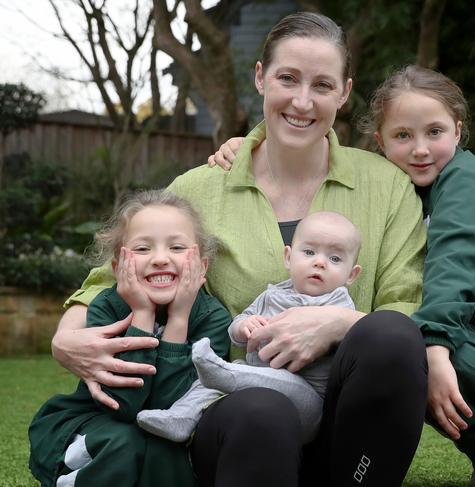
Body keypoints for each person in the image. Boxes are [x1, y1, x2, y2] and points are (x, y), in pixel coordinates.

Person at [50, 12, 428, 487]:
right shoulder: (202, 188)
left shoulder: (386, 186)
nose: (303, 101)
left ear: (345, 92)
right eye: (287, 78)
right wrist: (66, 338)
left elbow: (408, 305)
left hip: (346, 429)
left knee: (390, 335)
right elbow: (115, 274)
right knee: (261, 408)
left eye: (323, 85)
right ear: (259, 78)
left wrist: (338, 322)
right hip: (240, 425)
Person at [211, 65, 475, 487]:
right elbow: (322, 156)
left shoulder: (468, 187)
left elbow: (457, 269)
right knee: (401, 350)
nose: (420, 149)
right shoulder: (402, 192)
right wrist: (251, 146)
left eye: (434, 132)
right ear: (381, 143)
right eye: (403, 136)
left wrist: (435, 349)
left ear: (458, 131)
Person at [29, 190, 232, 487]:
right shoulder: (106, 306)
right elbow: (123, 406)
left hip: (165, 433)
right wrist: (142, 314)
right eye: (142, 249)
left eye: (176, 247)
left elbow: (169, 413)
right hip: (100, 420)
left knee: (165, 449)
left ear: (202, 265)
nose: (160, 259)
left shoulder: (213, 318)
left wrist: (178, 320)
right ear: (117, 267)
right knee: (125, 441)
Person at [137, 211, 362, 445]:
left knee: (227, 373)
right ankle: (179, 418)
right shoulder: (272, 295)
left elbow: (353, 350)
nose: (319, 262)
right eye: (308, 252)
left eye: (335, 259)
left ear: (352, 274)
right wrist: (244, 326)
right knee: (206, 384)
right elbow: (237, 333)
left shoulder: (339, 306)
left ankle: (221, 372)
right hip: (252, 383)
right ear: (288, 257)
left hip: (307, 399)